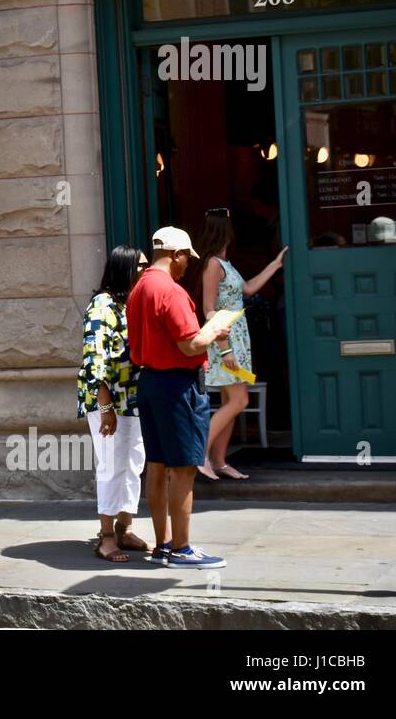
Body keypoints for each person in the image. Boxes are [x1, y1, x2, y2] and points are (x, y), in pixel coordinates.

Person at [126, 227, 232, 569]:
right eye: (187, 257)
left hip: (151, 382)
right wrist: (215, 329)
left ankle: (163, 545)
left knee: (156, 466)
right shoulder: (169, 291)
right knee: (183, 468)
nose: (188, 264)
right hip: (177, 385)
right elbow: (190, 344)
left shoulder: (138, 288)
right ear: (176, 254)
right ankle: (182, 548)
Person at [195, 208, 288, 481]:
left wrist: (275, 264)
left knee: (230, 401)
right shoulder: (212, 263)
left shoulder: (226, 263)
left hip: (237, 339)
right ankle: (199, 454)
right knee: (239, 400)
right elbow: (209, 310)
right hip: (227, 341)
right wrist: (225, 348)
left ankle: (220, 461)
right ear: (224, 230)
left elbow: (247, 289)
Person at [78, 246, 149, 562]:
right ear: (125, 268)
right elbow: (95, 359)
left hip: (131, 399)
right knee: (111, 464)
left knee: (133, 462)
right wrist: (105, 408)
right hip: (109, 400)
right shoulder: (102, 305)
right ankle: (106, 536)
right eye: (141, 265)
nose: (146, 270)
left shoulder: (128, 303)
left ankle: (125, 526)